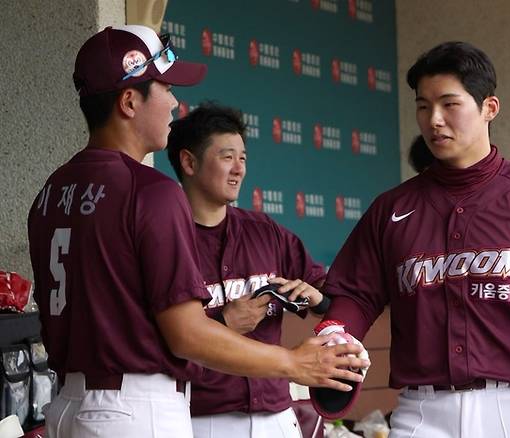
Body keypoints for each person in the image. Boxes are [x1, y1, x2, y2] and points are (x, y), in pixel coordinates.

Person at [27, 25, 367, 438]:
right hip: (135, 408)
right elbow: (187, 334)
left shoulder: (51, 192)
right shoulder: (149, 190)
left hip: (67, 406)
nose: (173, 101)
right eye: (165, 88)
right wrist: (293, 363)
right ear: (129, 101)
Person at [314, 41, 510, 438]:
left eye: (449, 104)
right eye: (423, 106)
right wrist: (337, 330)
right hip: (422, 411)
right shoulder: (391, 209)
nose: (434, 120)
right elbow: (357, 294)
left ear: (489, 108)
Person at [166, 102, 331, 438]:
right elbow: (154, 341)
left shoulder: (266, 231)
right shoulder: (166, 241)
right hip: (203, 420)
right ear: (189, 162)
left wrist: (318, 298)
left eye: (243, 158)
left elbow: (332, 295)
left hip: (278, 415)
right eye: (227, 157)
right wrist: (223, 323)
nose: (239, 168)